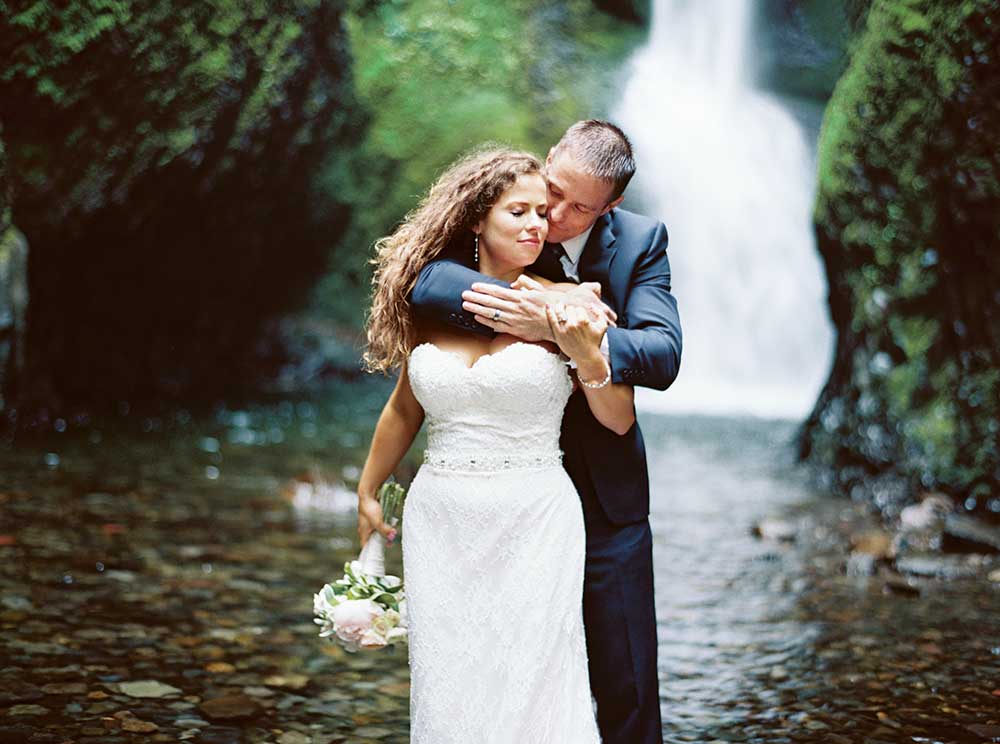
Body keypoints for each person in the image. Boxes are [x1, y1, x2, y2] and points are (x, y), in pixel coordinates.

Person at [408, 120, 682, 744]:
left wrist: (562, 328)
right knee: (496, 668)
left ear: (609, 206)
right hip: (506, 496)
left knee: (627, 684)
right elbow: (429, 281)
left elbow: (663, 354)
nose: (553, 215)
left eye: (578, 206)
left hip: (603, 493)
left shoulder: (641, 241)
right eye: (552, 190)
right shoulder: (514, 205)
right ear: (550, 157)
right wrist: (551, 295)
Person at [356, 146, 636, 743]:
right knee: (449, 679)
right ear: (478, 218)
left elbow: (616, 420)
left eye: (543, 212)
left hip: (534, 516)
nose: (539, 224)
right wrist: (368, 488)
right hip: (441, 520)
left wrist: (588, 357)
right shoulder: (437, 304)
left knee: (534, 676)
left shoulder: (566, 306)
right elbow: (405, 408)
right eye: (519, 212)